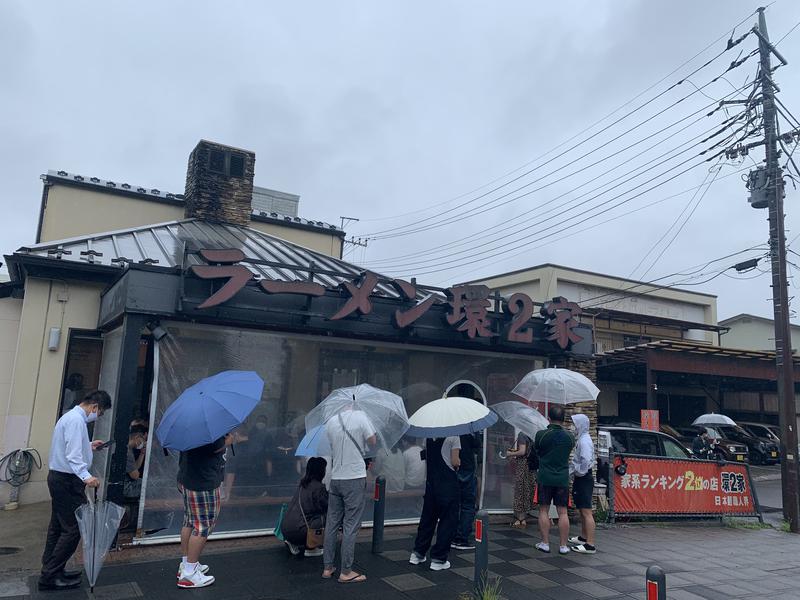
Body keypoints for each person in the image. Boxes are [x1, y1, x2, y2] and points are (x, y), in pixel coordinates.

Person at [39, 390, 111, 591]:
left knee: (58, 526)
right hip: (67, 481)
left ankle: (53, 568)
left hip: (61, 479)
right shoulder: (76, 421)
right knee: (72, 529)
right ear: (95, 406)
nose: (99, 416)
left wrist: (89, 446)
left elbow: (69, 447)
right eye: (101, 412)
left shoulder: (70, 418)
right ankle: (50, 575)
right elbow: (72, 455)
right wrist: (87, 477)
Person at [321, 404, 376, 583]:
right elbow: (372, 441)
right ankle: (346, 572)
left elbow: (332, 444)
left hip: (336, 477)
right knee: (350, 525)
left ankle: (328, 568)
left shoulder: (331, 421)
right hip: (354, 477)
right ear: (354, 404)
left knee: (332, 523)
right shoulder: (361, 416)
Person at [176, 435, 228, 589]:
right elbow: (209, 448)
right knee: (203, 525)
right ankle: (189, 575)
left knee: (190, 521)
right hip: (202, 482)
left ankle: (186, 565)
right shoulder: (209, 431)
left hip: (188, 478)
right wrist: (226, 442)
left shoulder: (191, 426)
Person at [409, 436, 461, 571]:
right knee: (447, 521)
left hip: (431, 483)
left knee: (427, 519)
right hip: (448, 484)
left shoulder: (427, 436)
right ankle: (438, 559)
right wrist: (459, 462)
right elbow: (455, 462)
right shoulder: (454, 436)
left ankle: (417, 554)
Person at [533, 404, 574, 555]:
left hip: (545, 476)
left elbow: (537, 449)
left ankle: (545, 543)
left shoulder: (541, 434)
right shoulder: (570, 437)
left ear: (549, 418)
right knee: (562, 512)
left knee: (543, 509)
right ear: (563, 419)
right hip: (562, 478)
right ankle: (563, 545)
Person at [282, 457, 329, 557]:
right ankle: (311, 547)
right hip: (300, 531)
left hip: (286, 529)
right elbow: (327, 506)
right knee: (329, 517)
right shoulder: (319, 488)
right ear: (321, 471)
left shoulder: (303, 484)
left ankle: (293, 542)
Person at [568, 414, 596, 554]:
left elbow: (585, 461)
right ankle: (584, 537)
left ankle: (590, 544)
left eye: (574, 424)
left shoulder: (584, 441)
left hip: (584, 478)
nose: (573, 426)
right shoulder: (583, 439)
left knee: (586, 511)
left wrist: (578, 471)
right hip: (583, 477)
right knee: (582, 509)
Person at [452, 432, 480, 550]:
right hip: (467, 468)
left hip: (453, 470)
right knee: (468, 505)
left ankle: (451, 535)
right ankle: (461, 538)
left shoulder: (450, 429)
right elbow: (477, 446)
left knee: (454, 504)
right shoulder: (470, 430)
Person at [505, 431, 535, 529]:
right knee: (527, 489)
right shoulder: (533, 434)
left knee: (520, 489)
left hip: (523, 465)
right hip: (531, 465)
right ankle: (524, 516)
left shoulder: (522, 434)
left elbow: (522, 451)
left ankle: (520, 519)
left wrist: (510, 453)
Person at [124, 425, 148, 499]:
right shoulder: (127, 452)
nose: (144, 443)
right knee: (150, 485)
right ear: (137, 437)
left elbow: (135, 468)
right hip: (126, 487)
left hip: (126, 484)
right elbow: (135, 475)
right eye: (144, 439)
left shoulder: (129, 449)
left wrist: (142, 453)